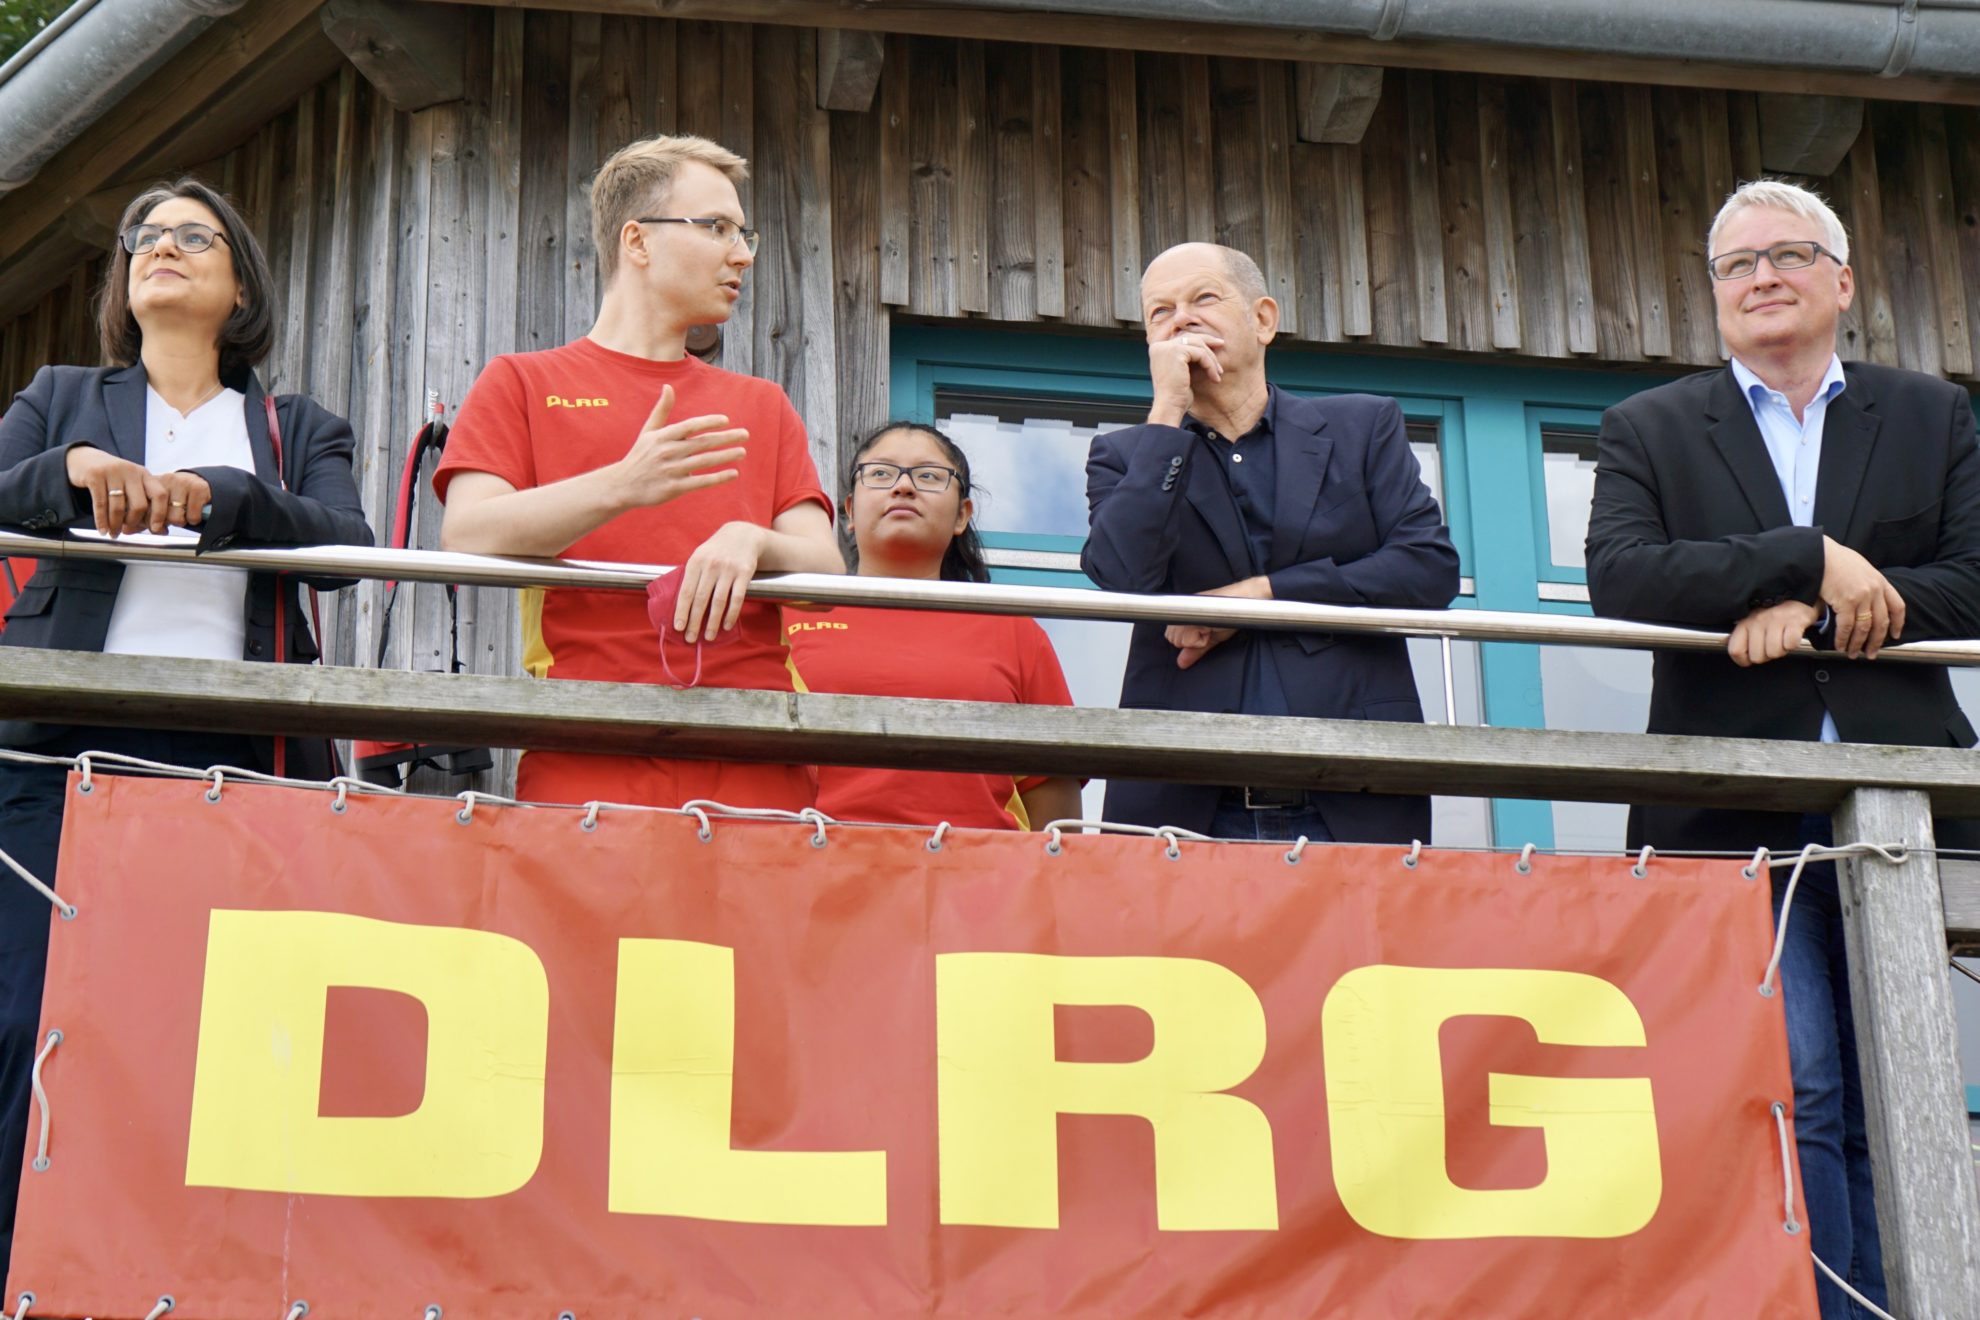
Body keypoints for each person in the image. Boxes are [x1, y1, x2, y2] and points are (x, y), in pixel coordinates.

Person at [1586, 179, 1980, 1319]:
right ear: (1715, 296)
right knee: (1795, 1082)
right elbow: (1623, 576)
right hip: (1727, 808)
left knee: (1896, 1086)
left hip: (1902, 804)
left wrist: (1808, 617)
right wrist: (1806, 553)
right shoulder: (1649, 427)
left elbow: (1971, 582)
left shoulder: (1930, 415)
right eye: (1737, 264)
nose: (1763, 276)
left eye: (1791, 255)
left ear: (1842, 283)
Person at [0, 177, 373, 1285]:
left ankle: (205, 1279)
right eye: (144, 238)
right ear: (126, 278)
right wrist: (70, 472)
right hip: (58, 742)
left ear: (238, 281)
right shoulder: (61, 394)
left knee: (231, 1035)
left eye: (191, 236)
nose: (162, 248)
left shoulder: (295, 425)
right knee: (29, 1020)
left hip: (241, 751)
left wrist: (228, 497)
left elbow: (345, 542)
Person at [436, 133, 842, 811]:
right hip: (587, 742)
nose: (741, 254)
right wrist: (624, 484)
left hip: (757, 750)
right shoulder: (522, 381)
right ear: (637, 241)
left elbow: (826, 582)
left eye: (745, 235)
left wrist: (755, 540)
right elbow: (467, 535)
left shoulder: (762, 404)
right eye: (716, 228)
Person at [1082, 242, 1460, 842]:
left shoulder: (1362, 427)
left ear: (1263, 319)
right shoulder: (1127, 455)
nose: (1181, 318)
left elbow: (1426, 570)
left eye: (1203, 297)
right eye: (1160, 312)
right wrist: (1168, 409)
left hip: (1352, 786)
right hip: (1182, 795)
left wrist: (1262, 596)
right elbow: (1122, 575)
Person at [784, 422, 1082, 830]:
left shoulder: (1013, 630)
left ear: (962, 515)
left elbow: (1054, 803)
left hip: (979, 879)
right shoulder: (791, 614)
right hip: (811, 872)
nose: (903, 488)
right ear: (850, 512)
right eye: (881, 473)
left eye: (928, 476)